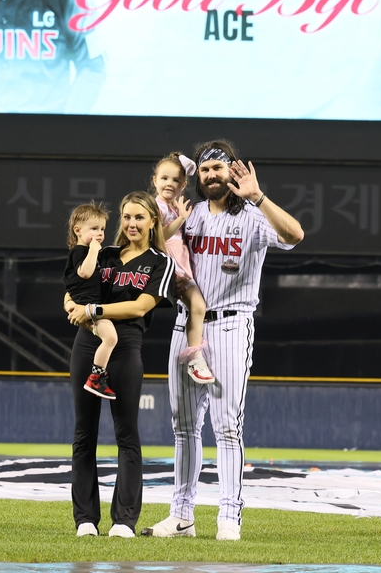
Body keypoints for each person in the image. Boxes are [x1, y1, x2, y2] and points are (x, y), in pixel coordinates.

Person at [147, 140, 304, 542]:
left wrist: (260, 196)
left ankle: (229, 516)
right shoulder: (192, 214)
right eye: (205, 170)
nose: (212, 175)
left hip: (232, 325)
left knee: (227, 426)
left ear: (231, 172)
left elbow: (295, 234)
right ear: (197, 178)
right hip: (187, 324)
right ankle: (181, 514)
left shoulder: (252, 215)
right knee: (183, 426)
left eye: (218, 168)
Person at [63, 192, 175, 539]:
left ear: (153, 221)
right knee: (84, 435)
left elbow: (140, 307)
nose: (131, 224)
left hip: (125, 347)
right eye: (126, 217)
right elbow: (73, 286)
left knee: (127, 435)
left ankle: (123, 521)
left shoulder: (160, 262)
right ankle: (85, 519)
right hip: (87, 343)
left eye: (139, 217)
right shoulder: (104, 253)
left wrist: (94, 310)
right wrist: (70, 303)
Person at [151, 152, 213, 384]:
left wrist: (181, 159)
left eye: (176, 180)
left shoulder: (176, 205)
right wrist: (181, 219)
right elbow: (157, 236)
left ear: (184, 184)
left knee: (198, 306)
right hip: (169, 261)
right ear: (154, 180)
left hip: (182, 260)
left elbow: (193, 169)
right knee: (198, 305)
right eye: (164, 178)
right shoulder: (154, 206)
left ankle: (196, 354)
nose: (170, 184)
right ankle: (194, 356)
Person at [63, 202, 118, 399]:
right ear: (77, 230)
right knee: (111, 337)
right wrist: (94, 249)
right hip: (86, 307)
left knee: (109, 337)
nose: (100, 233)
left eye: (102, 229)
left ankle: (98, 375)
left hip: (90, 305)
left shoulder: (89, 252)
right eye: (94, 228)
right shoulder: (79, 252)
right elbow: (85, 273)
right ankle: (96, 377)